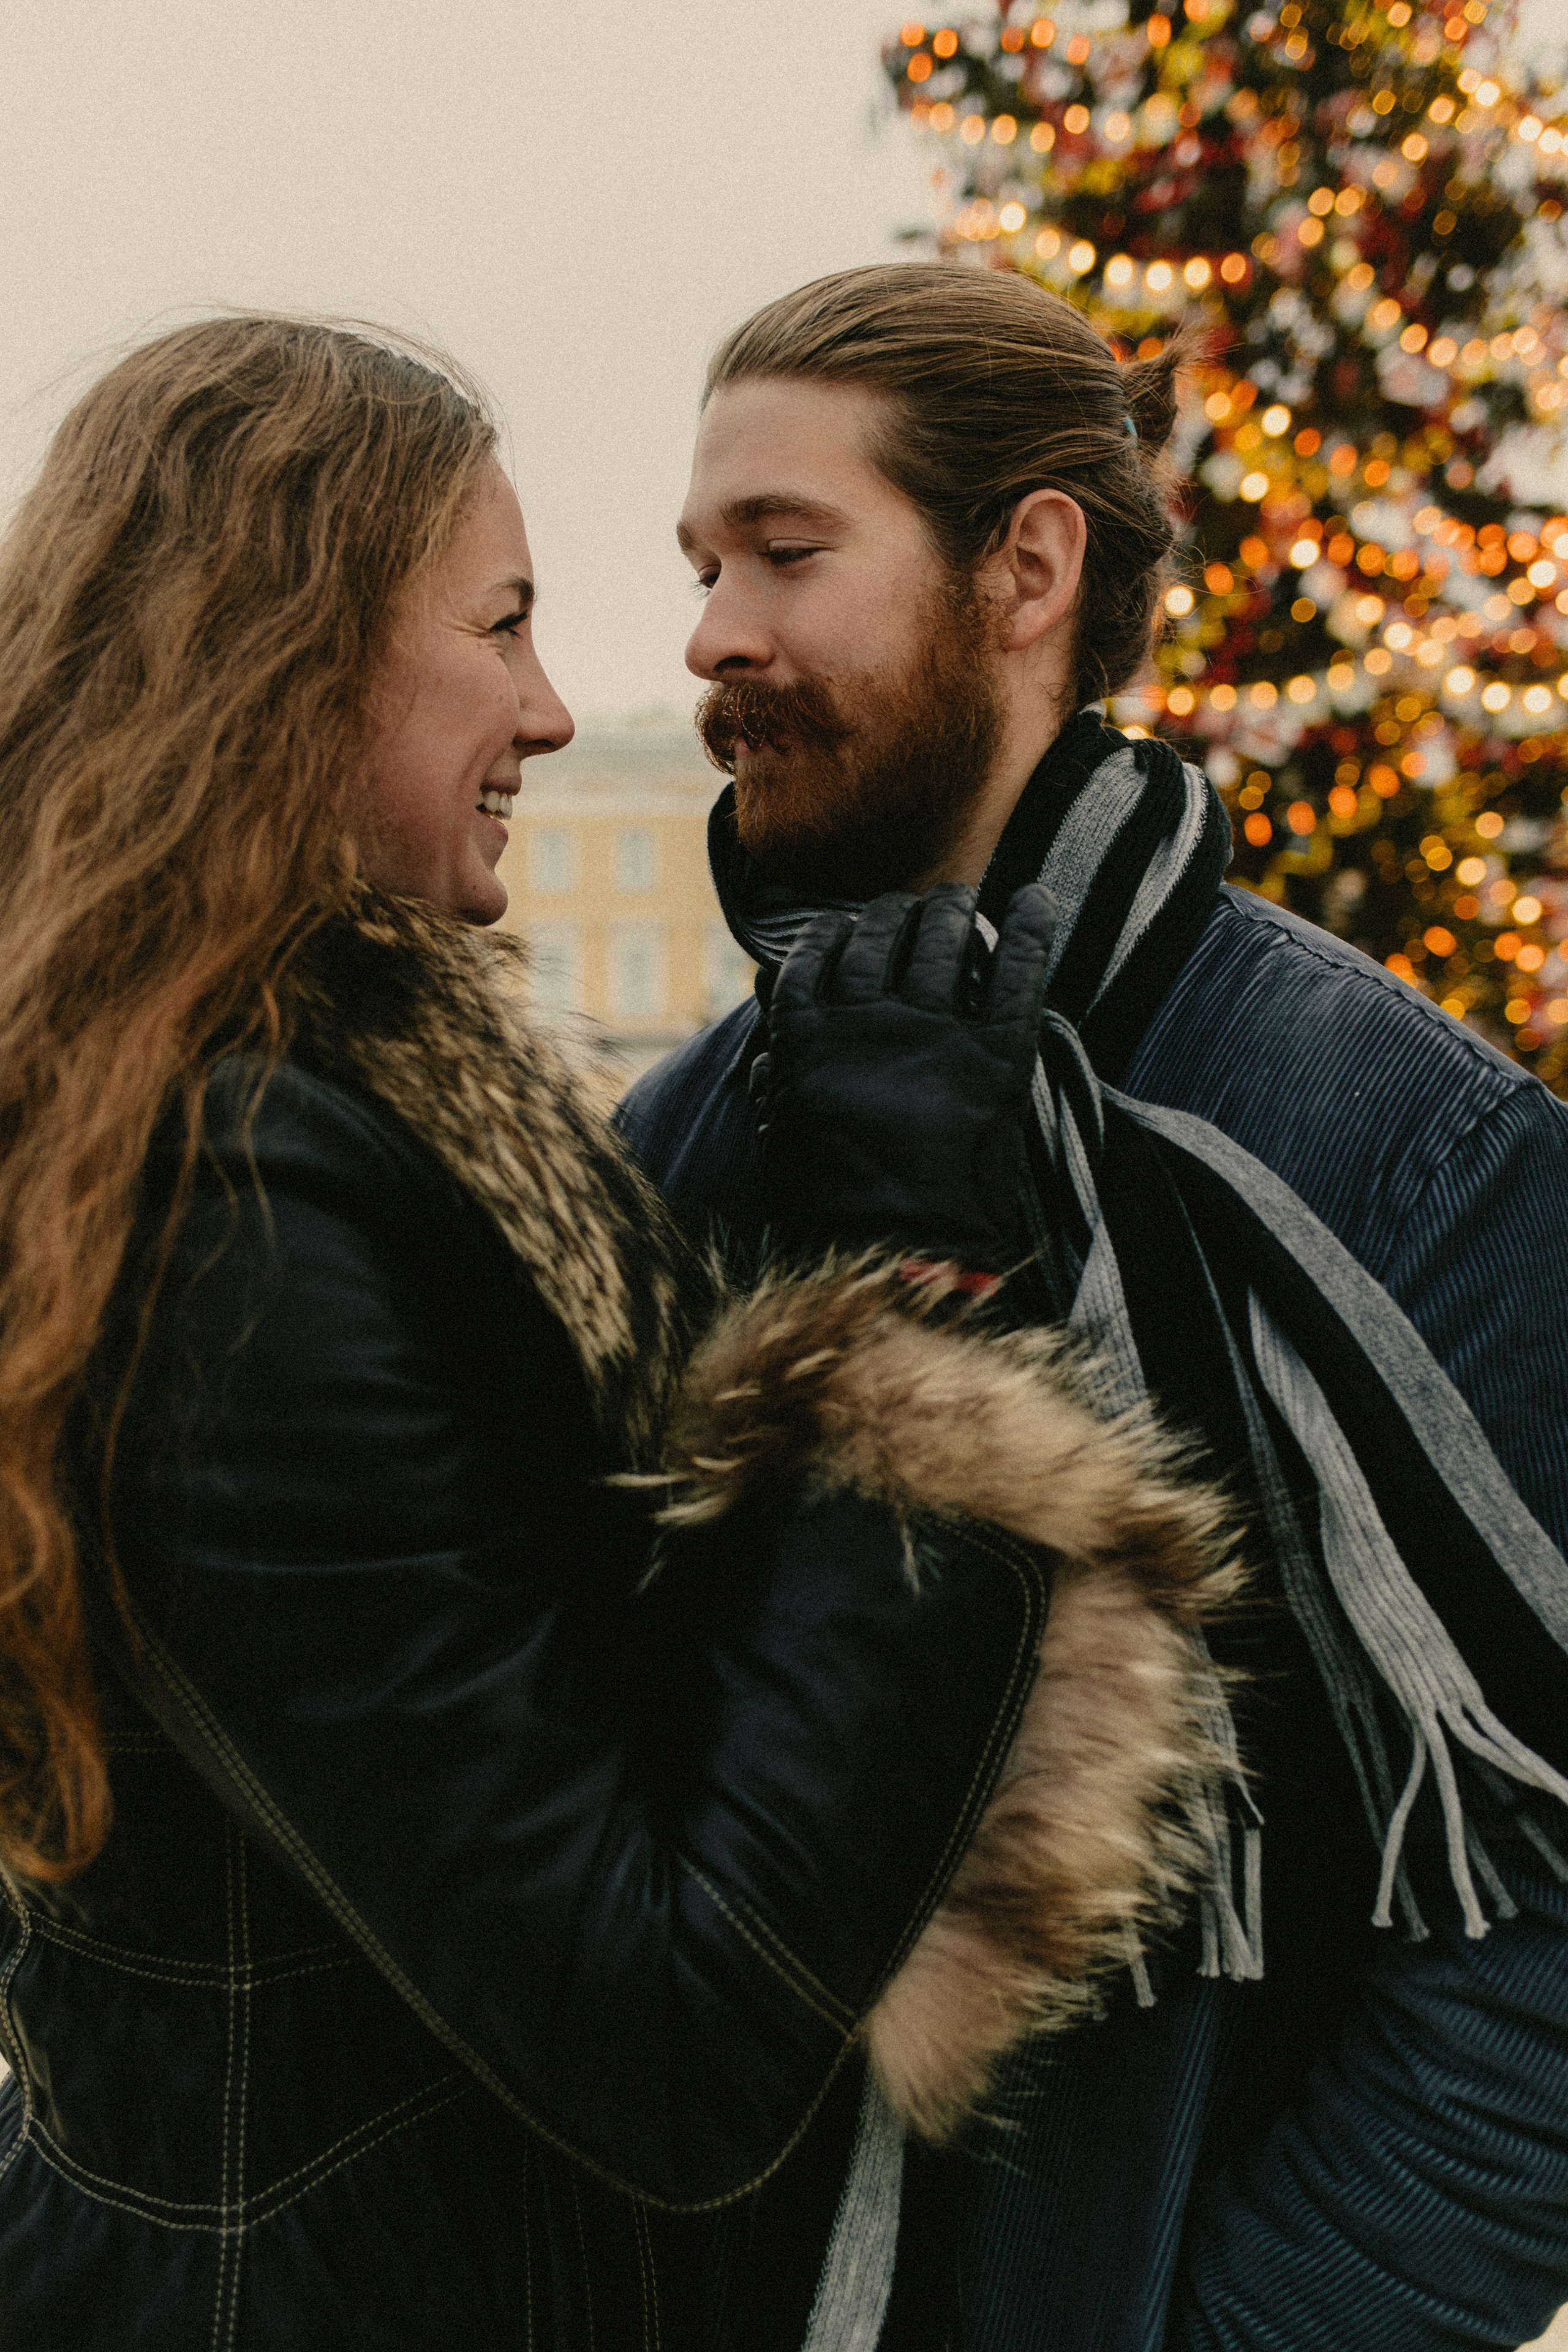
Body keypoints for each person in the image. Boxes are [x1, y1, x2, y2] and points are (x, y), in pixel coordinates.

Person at [0, 315, 1235, 2351]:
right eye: (500, 623)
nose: (563, 709)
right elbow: (667, 2040)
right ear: (285, 665)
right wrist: (909, 1291)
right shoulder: (221, 1220)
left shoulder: (313, 1115)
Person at [617, 262, 1568, 2352]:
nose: (711, 639)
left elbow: (1539, 1935)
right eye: (702, 567)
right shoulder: (687, 1148)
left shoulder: (1405, 1144)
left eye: (787, 551)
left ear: (1025, 564)